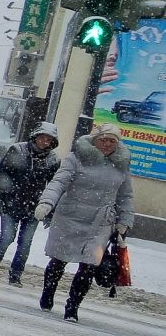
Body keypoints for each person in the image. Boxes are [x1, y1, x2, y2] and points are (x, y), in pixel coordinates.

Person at [35, 125, 135, 320]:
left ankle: (72, 308)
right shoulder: (76, 158)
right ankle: (48, 294)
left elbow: (126, 196)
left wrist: (124, 220)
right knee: (58, 260)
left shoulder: (121, 165)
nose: (107, 144)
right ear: (94, 140)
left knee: (89, 266)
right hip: (69, 218)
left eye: (112, 141)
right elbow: (59, 182)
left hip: (100, 223)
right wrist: (47, 202)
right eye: (103, 139)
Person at [0, 122, 61, 284]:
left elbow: (55, 187)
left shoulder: (53, 160)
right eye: (42, 138)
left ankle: (15, 274)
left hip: (34, 208)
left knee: (25, 243)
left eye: (48, 140)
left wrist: (50, 211)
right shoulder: (17, 151)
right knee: (7, 237)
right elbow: (1, 176)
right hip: (11, 204)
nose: (44, 142)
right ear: (35, 136)